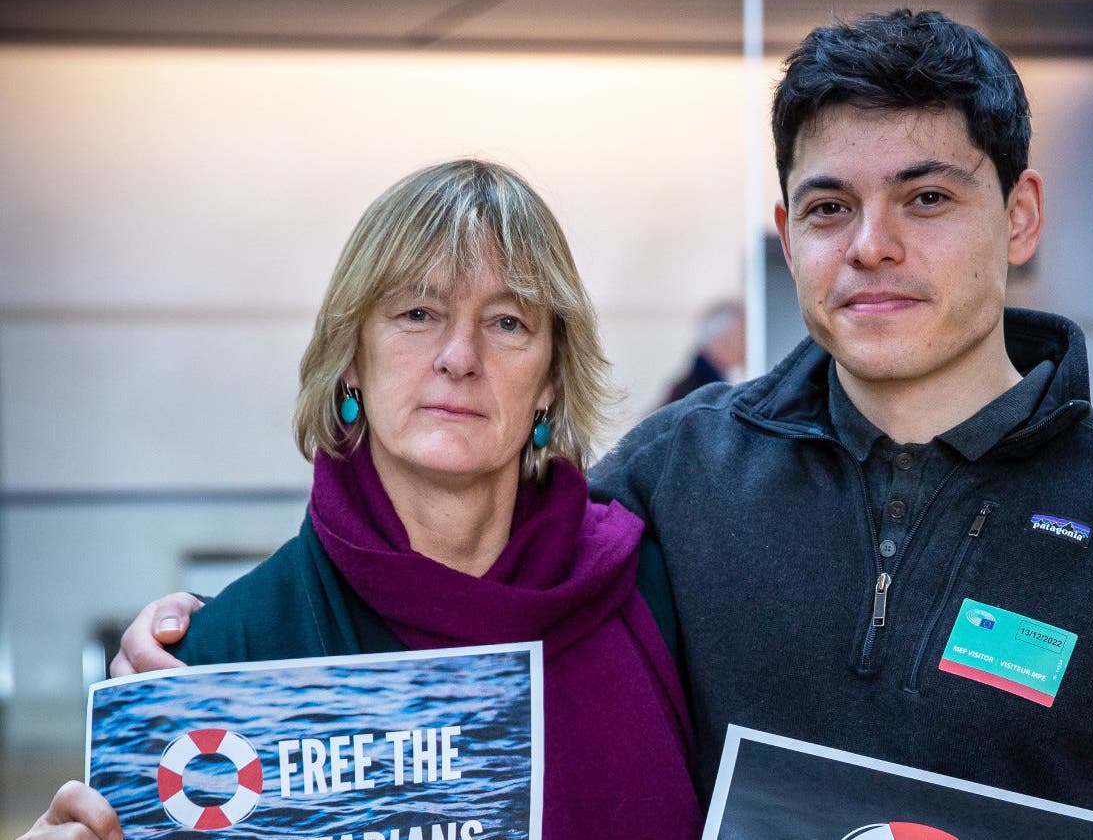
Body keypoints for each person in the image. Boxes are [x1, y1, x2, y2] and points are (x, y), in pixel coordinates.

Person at [99, 9, 1093, 837]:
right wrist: (205, 660)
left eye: (925, 196)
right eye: (827, 206)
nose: (872, 245)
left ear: (1018, 215)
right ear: (786, 229)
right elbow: (449, 546)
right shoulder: (671, 480)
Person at [21, 160, 701, 840]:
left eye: (507, 322)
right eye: (417, 313)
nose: (459, 356)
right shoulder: (224, 657)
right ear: (352, 358)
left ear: (551, 379)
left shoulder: (651, 590)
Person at [660, 300, 746, 405]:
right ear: (724, 341)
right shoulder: (697, 393)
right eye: (743, 336)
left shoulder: (702, 386)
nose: (748, 344)